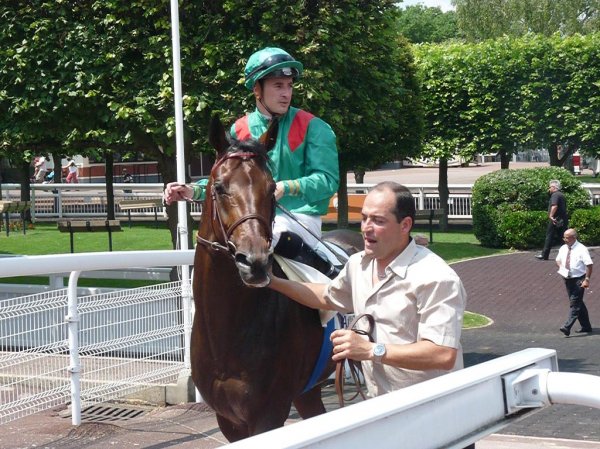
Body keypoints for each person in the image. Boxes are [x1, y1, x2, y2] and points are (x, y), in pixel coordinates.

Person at [268, 182, 467, 397]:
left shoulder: (435, 277)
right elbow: (327, 297)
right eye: (364, 218)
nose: (366, 228)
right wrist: (273, 282)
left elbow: (443, 354)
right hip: (379, 406)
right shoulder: (358, 264)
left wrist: (371, 350)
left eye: (378, 221)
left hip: (434, 409)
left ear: (405, 225)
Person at [164, 47, 340, 276]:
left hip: (299, 218)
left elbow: (328, 180)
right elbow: (227, 180)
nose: (286, 93)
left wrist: (286, 187)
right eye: (278, 86)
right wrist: (192, 190)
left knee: (271, 235)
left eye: (289, 86)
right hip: (251, 217)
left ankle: (330, 282)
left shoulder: (315, 127)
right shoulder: (239, 129)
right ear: (257, 89)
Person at [556, 228, 593, 336]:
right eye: (564, 237)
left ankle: (567, 326)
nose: (565, 240)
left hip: (579, 279)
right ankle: (586, 326)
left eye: (567, 238)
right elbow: (558, 260)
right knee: (578, 302)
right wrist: (561, 267)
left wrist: (587, 279)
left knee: (574, 303)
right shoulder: (563, 248)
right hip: (567, 279)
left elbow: (589, 265)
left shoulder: (581, 249)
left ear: (574, 238)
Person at [536, 179, 568, 260]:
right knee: (564, 237)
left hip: (555, 219)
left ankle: (544, 255)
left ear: (554, 187)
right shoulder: (561, 195)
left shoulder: (555, 195)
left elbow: (554, 206)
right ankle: (573, 252)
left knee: (549, 236)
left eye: (550, 187)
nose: (549, 189)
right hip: (562, 219)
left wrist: (551, 216)